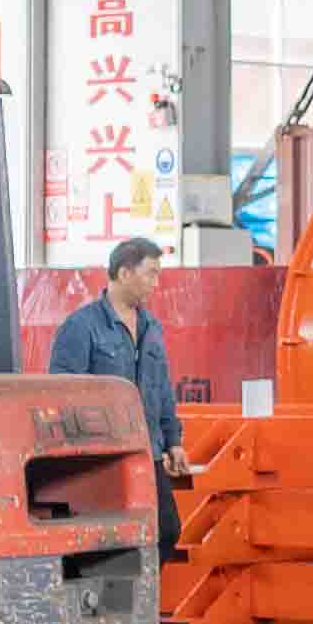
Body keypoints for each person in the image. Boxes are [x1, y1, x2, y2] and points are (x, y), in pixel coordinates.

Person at [46, 237, 184, 558]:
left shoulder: (151, 327)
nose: (156, 283)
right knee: (105, 543)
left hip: (147, 451)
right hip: (102, 457)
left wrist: (173, 442)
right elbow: (62, 394)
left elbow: (162, 389)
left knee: (167, 530)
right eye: (150, 274)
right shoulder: (81, 327)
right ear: (124, 273)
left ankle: (137, 590)